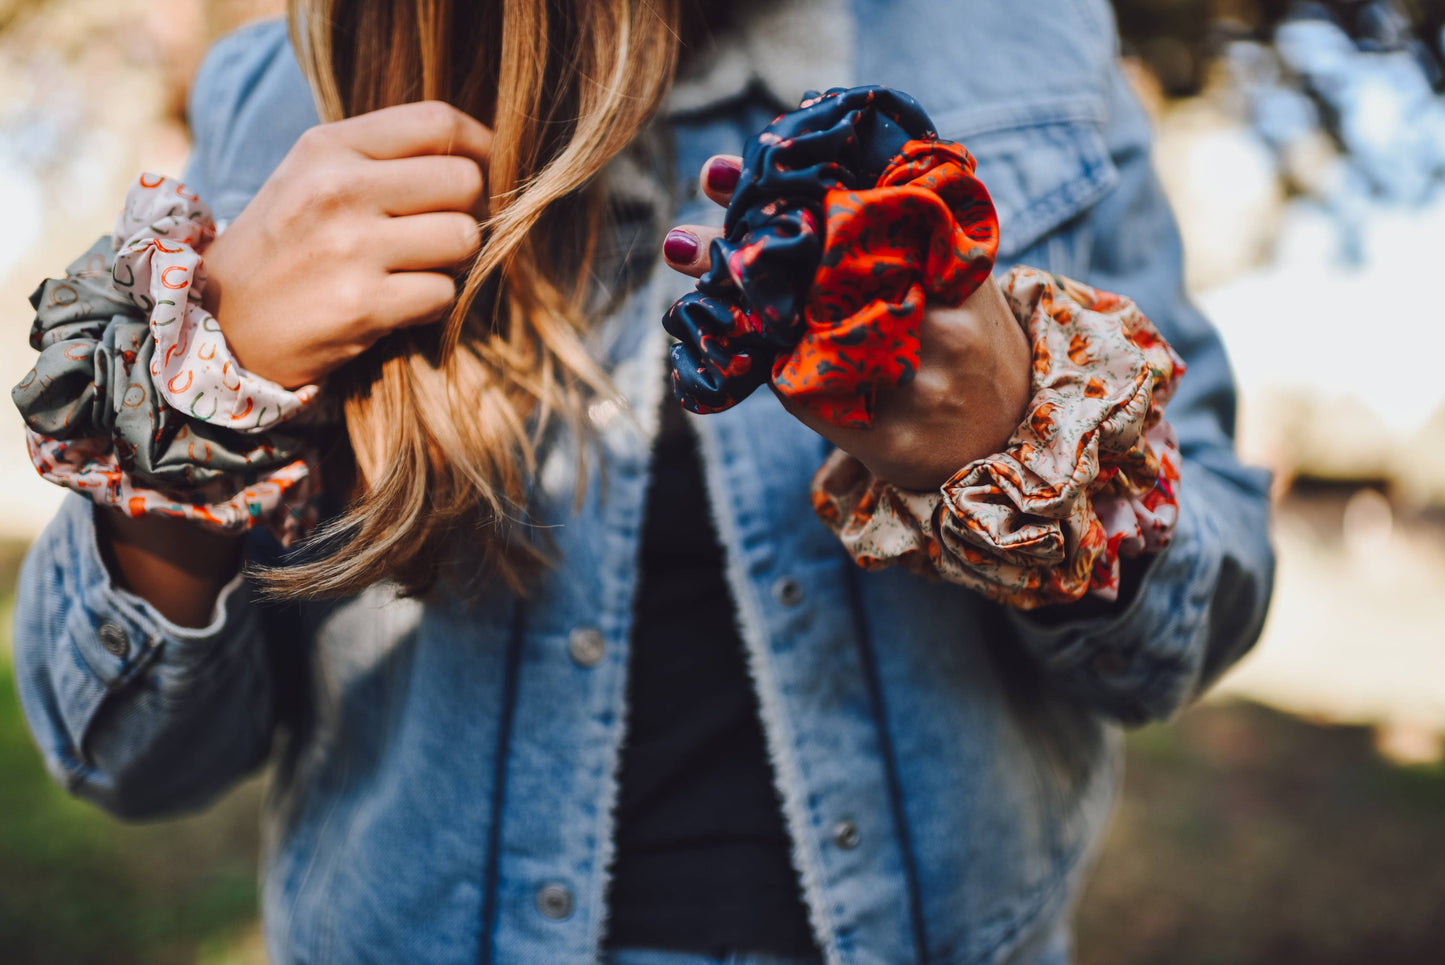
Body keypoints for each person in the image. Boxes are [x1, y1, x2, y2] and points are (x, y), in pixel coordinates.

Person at [11, 0, 1275, 963]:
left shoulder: (1020, 44)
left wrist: (1022, 442)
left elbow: (1187, 630)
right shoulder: (291, 90)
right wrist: (207, 378)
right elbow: (128, 756)